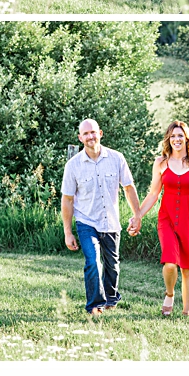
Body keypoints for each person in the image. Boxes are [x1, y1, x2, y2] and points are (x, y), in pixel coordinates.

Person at [130, 119, 189, 317]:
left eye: (180, 135)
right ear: (168, 139)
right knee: (170, 263)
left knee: (188, 269)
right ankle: (169, 294)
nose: (176, 139)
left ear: (187, 138)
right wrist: (137, 216)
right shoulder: (161, 162)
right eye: (173, 136)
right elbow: (153, 194)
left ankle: (186, 312)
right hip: (167, 218)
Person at [61, 118, 140, 317]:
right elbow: (68, 199)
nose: (90, 136)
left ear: (100, 133)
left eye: (93, 132)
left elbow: (129, 188)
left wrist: (137, 216)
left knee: (112, 265)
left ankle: (111, 298)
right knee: (93, 262)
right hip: (86, 221)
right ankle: (94, 305)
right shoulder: (73, 165)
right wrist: (68, 232)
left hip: (111, 222)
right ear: (80, 138)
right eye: (86, 134)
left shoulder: (116, 158)